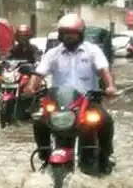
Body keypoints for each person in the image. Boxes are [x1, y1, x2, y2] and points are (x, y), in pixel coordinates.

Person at [23, 13, 118, 171]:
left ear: (80, 34)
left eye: (73, 33)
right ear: (60, 35)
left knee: (106, 121)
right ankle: (45, 157)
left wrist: (110, 86)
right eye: (65, 33)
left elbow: (103, 70)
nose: (69, 36)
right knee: (39, 121)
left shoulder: (92, 51)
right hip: (60, 102)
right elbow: (39, 73)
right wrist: (31, 87)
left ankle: (106, 156)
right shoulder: (53, 54)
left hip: (88, 101)